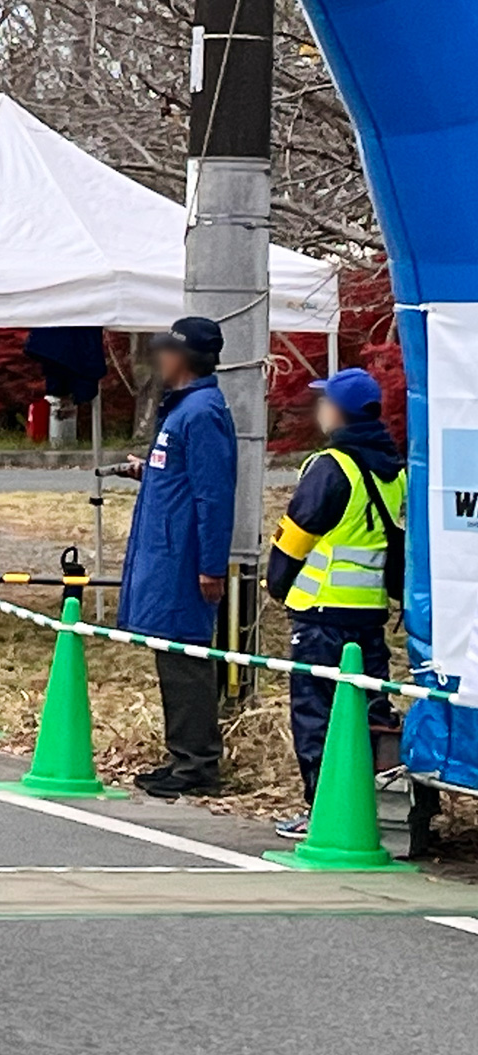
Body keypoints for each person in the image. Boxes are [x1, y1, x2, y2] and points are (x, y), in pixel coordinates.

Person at [267, 367, 406, 839]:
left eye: (325, 402)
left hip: (321, 613)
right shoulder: (395, 471)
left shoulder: (331, 467)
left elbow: (295, 537)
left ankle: (322, 810)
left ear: (339, 412)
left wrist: (277, 584)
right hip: (369, 612)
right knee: (370, 710)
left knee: (317, 714)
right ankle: (374, 807)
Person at [119, 316, 237, 799]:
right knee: (171, 653)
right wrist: (149, 471)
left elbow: (214, 495)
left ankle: (197, 763)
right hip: (171, 554)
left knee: (185, 654)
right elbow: (185, 476)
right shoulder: (185, 410)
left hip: (185, 558)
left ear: (182, 357)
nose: (159, 359)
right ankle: (183, 757)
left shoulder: (201, 412)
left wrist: (211, 565)